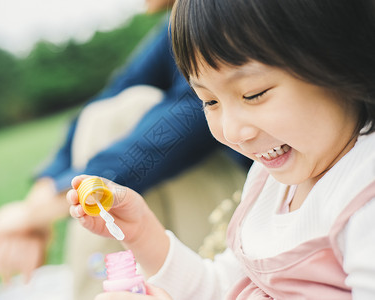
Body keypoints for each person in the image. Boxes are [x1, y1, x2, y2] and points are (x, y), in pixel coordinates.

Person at [67, 0, 375, 299]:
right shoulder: (269, 181)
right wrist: (142, 234)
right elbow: (221, 287)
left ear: (340, 59)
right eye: (210, 101)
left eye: (253, 94)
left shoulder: (363, 195)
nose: (231, 131)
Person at [0, 0, 250, 297]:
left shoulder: (233, 11)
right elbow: (105, 98)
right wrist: (39, 198)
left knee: (126, 112)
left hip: (254, 203)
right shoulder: (180, 23)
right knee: (108, 111)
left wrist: (40, 212)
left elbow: (185, 124)